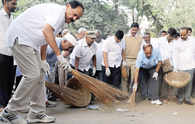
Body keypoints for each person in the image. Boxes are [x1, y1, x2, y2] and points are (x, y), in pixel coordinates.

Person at [0, 1, 84, 124]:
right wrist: (59, 56)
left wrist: (43, 60)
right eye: (74, 14)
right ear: (67, 6)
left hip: (30, 43)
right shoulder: (58, 13)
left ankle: (36, 113)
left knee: (39, 75)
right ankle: (10, 112)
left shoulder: (60, 22)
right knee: (32, 75)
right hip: (21, 38)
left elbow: (45, 39)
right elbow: (47, 32)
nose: (74, 18)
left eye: (77, 17)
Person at [0, 0, 17, 112]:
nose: (15, 6)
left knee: (10, 81)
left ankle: (6, 106)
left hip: (12, 54)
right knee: (1, 81)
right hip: (1, 53)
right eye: (13, 3)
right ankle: (1, 106)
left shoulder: (12, 18)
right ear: (5, 2)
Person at [173, 27, 195, 105]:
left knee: (189, 83)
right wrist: (175, 67)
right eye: (181, 35)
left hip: (191, 65)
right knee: (181, 83)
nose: (182, 37)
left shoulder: (193, 40)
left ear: (187, 33)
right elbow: (175, 55)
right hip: (181, 66)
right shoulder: (177, 42)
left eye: (184, 35)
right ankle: (180, 98)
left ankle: (187, 98)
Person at [157, 28, 178, 100]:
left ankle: (165, 96)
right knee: (159, 80)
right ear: (169, 35)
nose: (173, 38)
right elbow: (157, 51)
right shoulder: (160, 40)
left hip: (169, 63)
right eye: (172, 37)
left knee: (167, 80)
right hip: (159, 63)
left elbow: (174, 55)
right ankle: (157, 96)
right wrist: (160, 60)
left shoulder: (174, 43)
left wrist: (175, 67)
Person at [123, 22, 142, 92]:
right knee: (125, 77)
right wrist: (124, 61)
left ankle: (132, 93)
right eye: (133, 30)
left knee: (134, 78)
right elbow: (122, 49)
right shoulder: (125, 37)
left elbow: (141, 50)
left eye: (135, 30)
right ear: (130, 29)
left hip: (136, 60)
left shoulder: (140, 38)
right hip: (126, 59)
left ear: (138, 30)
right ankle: (124, 92)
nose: (134, 31)